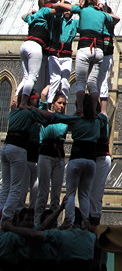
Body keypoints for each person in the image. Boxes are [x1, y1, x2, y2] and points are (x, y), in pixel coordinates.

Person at [56, 0, 120, 114]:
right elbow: (117, 18)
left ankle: (80, 109)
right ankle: (95, 111)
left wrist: (73, 2)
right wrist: (102, 11)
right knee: (93, 83)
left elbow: (60, 6)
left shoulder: (83, 10)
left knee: (81, 82)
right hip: (98, 51)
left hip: (85, 48)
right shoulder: (101, 14)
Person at [0, 93, 53, 228]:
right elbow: (46, 121)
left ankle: (1, 211)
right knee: (16, 187)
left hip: (5, 147)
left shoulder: (13, 113)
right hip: (18, 149)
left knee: (5, 186)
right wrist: (36, 109)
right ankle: (7, 218)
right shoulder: (29, 113)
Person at [52, 94, 101, 230]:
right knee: (84, 194)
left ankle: (69, 221)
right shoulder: (98, 121)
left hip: (77, 158)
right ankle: (85, 221)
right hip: (91, 161)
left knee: (71, 193)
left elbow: (57, 117)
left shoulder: (75, 119)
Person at [34, 92, 68, 230]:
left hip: (58, 157)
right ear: (53, 104)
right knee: (42, 192)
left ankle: (53, 224)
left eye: (64, 104)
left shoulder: (65, 120)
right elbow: (42, 96)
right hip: (45, 155)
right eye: (60, 103)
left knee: (56, 194)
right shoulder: (45, 115)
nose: (62, 106)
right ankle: (37, 223)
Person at [18, 6, 58, 109]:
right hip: (35, 46)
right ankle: (24, 102)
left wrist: (31, 13)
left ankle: (17, 99)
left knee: (26, 77)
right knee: (32, 77)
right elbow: (58, 10)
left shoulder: (34, 18)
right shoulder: (45, 16)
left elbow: (23, 16)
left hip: (24, 45)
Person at [45, 9, 78, 103]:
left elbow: (84, 20)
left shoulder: (75, 23)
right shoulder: (57, 20)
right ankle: (50, 103)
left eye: (69, 11)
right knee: (55, 79)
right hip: (54, 54)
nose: (67, 12)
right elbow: (55, 14)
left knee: (64, 81)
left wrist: (78, 7)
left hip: (66, 55)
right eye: (65, 10)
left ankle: (64, 103)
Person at [89, 110, 111, 227]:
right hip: (90, 158)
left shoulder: (101, 119)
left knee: (94, 194)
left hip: (100, 158)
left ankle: (93, 221)